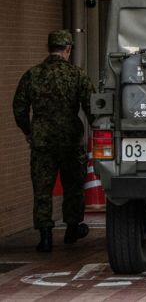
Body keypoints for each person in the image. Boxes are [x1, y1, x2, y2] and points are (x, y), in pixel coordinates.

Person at [13, 29, 94, 252]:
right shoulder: (78, 75)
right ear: (68, 48)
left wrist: (29, 130)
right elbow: (92, 107)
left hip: (42, 141)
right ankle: (71, 229)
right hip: (70, 140)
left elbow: (19, 108)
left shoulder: (32, 75)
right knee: (73, 186)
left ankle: (45, 236)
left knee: (42, 188)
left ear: (49, 47)